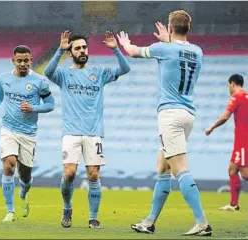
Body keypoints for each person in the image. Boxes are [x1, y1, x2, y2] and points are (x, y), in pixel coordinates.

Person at [117, 10, 212, 236]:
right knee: (162, 167)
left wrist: (124, 42)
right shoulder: (198, 52)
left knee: (180, 169)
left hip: (170, 114)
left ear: (170, 28)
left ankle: (202, 222)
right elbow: (180, 52)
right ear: (188, 29)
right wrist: (168, 40)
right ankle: (149, 221)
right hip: (188, 114)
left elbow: (132, 52)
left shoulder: (163, 49)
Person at [44, 31, 130, 229]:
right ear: (70, 53)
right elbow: (48, 73)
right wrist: (59, 50)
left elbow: (125, 69)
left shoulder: (99, 73)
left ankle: (93, 217)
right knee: (70, 173)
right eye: (78, 48)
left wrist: (116, 49)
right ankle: (67, 208)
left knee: (93, 175)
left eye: (84, 47)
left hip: (93, 133)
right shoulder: (64, 74)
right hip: (71, 132)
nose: (82, 51)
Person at [0, 45, 55, 222]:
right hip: (8, 129)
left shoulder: (39, 81)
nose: (23, 64)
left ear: (31, 60)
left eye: (26, 60)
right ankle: (10, 211)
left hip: (28, 133)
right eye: (19, 60)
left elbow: (50, 104)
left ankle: (24, 192)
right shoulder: (3, 78)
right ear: (13, 61)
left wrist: (33, 107)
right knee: (9, 165)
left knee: (25, 174)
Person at [205, 74, 248, 211]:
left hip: (243, 140)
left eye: (228, 85)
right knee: (232, 170)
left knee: (246, 174)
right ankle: (233, 204)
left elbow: (225, 116)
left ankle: (234, 204)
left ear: (233, 84)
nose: (228, 88)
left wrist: (212, 127)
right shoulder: (246, 96)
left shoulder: (236, 96)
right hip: (242, 140)